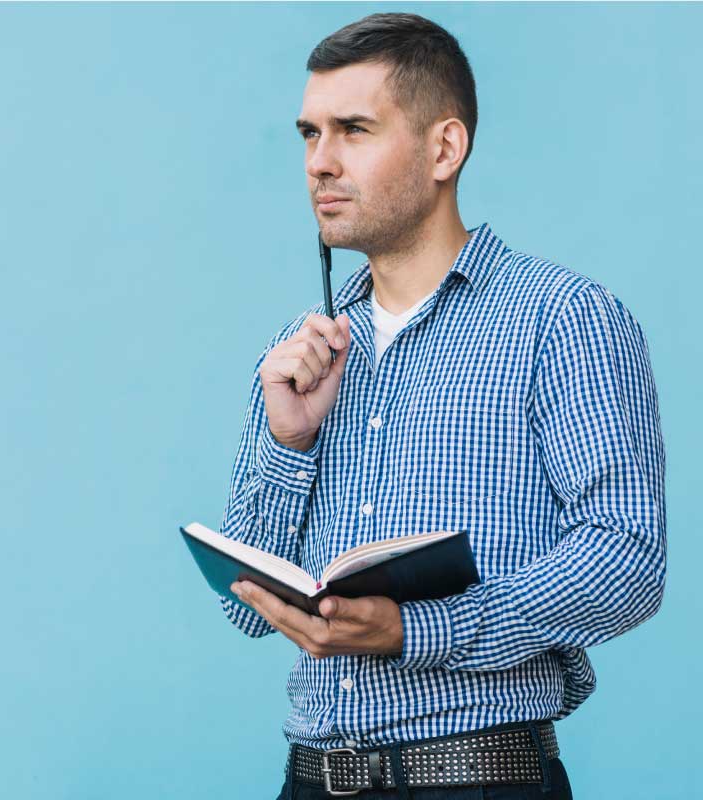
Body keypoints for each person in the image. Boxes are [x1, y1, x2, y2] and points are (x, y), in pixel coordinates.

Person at [215, 12, 666, 800]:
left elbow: (627, 558)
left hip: (477, 781)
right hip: (309, 779)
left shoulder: (563, 319)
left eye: (354, 129)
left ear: (444, 149)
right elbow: (248, 613)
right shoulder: (305, 348)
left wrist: (418, 631)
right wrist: (287, 445)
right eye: (309, 134)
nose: (320, 163)